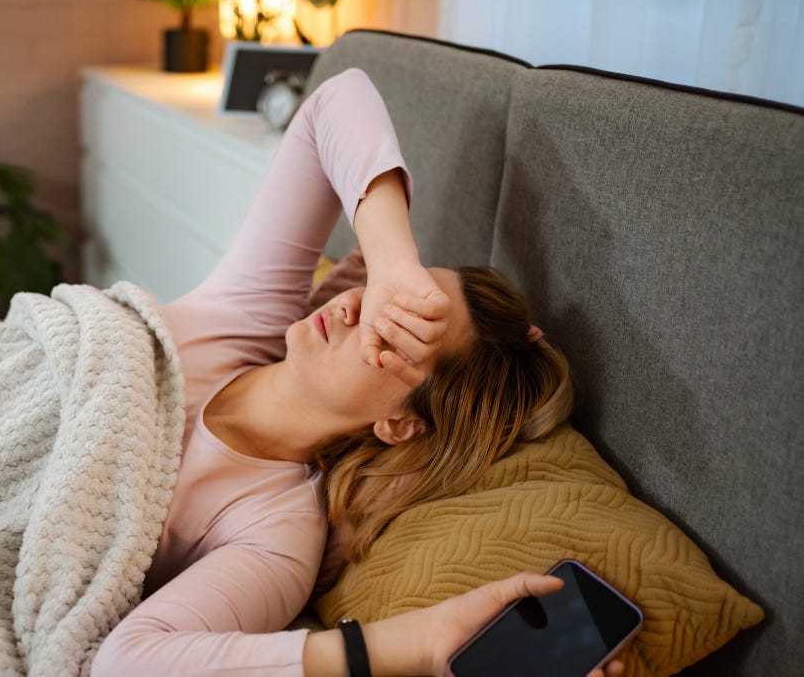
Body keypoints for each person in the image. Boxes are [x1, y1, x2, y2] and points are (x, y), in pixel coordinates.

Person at [90, 67, 622, 677]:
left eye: (395, 329)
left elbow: (127, 664)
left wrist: (417, 644)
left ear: (400, 424)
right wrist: (396, 261)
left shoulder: (274, 534)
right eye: (383, 292)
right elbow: (336, 100)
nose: (355, 308)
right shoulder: (248, 314)